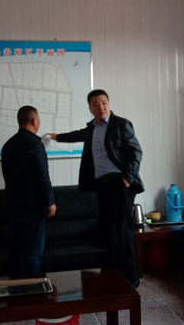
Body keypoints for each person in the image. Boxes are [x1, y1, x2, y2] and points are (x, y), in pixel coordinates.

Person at [50, 89, 143, 288]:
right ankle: (115, 274)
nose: (101, 107)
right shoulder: (92, 128)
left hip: (119, 183)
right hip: (102, 185)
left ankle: (131, 277)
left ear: (109, 104)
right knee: (109, 230)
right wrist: (57, 137)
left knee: (123, 230)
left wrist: (127, 178)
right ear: (90, 108)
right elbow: (77, 135)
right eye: (96, 104)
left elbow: (136, 152)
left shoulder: (121, 124)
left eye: (104, 102)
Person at [1, 106, 57, 276]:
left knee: (17, 249)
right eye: (38, 120)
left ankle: (15, 286)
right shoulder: (35, 144)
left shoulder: (8, 145)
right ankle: (31, 287)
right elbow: (42, 175)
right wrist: (50, 201)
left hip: (13, 204)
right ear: (33, 121)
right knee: (32, 250)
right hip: (33, 206)